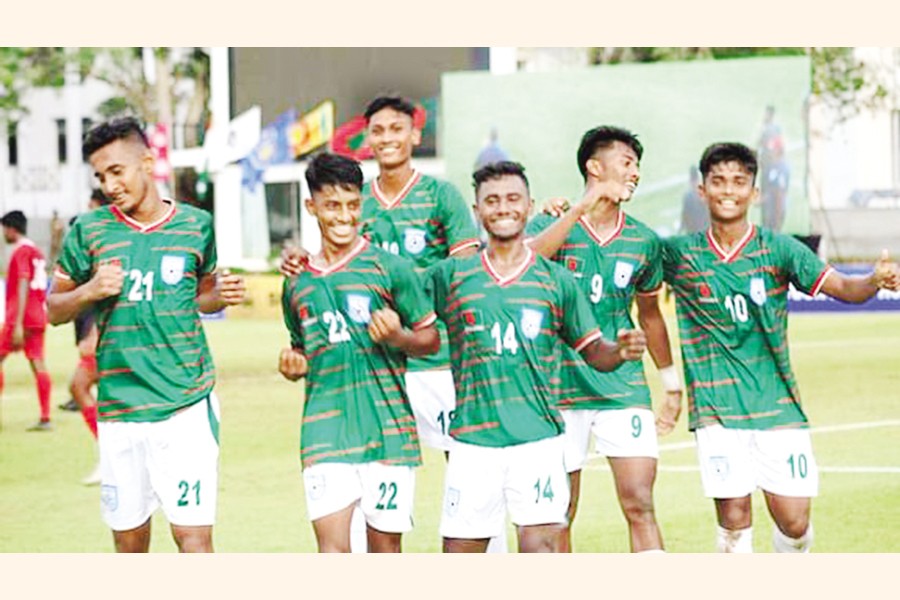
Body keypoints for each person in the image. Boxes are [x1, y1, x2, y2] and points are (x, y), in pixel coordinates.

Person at [283, 95, 500, 550]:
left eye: (396, 128)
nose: (387, 139)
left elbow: (463, 275)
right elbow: (326, 275)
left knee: (467, 468)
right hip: (369, 375)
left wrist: (407, 314)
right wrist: (303, 262)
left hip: (438, 361)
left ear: (415, 135)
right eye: (377, 130)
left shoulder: (440, 196)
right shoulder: (352, 199)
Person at [662, 142, 900, 553]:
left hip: (777, 404)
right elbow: (620, 250)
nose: (728, 191)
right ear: (703, 190)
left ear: (754, 193)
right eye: (718, 181)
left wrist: (873, 281)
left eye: (739, 182)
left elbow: (845, 288)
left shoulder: (780, 248)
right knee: (734, 519)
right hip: (716, 409)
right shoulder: (679, 254)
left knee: (795, 523)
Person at [48, 117, 246, 553]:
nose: (109, 185)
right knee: (130, 545)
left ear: (148, 162)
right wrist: (89, 290)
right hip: (120, 409)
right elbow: (53, 309)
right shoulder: (89, 231)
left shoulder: (196, 225)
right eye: (101, 176)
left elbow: (202, 295)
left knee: (193, 540)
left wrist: (221, 294)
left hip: (184, 405)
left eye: (116, 171)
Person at [428, 161, 647, 553]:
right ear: (477, 211)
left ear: (529, 207)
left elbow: (594, 351)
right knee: (460, 555)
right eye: (492, 201)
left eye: (513, 199)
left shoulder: (555, 280)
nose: (503, 208)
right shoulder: (451, 276)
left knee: (542, 551)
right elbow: (403, 302)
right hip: (473, 444)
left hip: (539, 443)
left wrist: (620, 351)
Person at [525, 126, 682, 552]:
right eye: (627, 163)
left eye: (637, 165)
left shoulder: (643, 241)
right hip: (558, 386)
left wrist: (671, 384)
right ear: (595, 167)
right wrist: (574, 211)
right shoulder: (552, 224)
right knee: (557, 511)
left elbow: (650, 315)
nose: (635, 173)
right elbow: (521, 263)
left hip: (621, 385)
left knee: (640, 502)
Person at [279, 152, 440, 552]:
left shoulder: (391, 268)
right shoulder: (296, 282)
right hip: (325, 433)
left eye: (352, 205)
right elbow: (302, 348)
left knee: (385, 552)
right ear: (311, 206)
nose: (344, 216)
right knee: (333, 551)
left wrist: (398, 338)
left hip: (388, 433)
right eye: (332, 206)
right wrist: (294, 364)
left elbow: (431, 339)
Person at [0, 210, 52, 431]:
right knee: (38, 363)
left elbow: (23, 282)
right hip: (38, 315)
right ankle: (45, 417)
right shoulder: (37, 251)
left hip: (20, 317)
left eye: (3, 229)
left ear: (11, 229)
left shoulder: (21, 251)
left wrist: (19, 324)